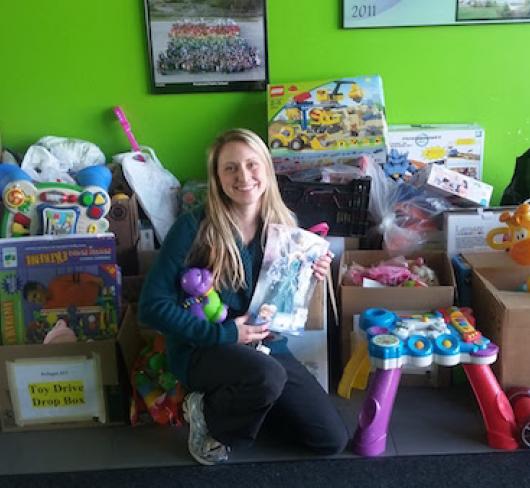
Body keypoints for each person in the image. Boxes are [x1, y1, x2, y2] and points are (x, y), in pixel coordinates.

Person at [138, 128, 349, 465]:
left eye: (252, 165)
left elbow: (286, 311)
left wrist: (312, 277)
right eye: (230, 168)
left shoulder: (286, 229)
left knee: (329, 440)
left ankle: (247, 404)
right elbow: (151, 308)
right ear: (217, 177)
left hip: (265, 349)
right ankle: (206, 414)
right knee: (267, 377)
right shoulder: (193, 229)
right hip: (204, 349)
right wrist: (223, 334)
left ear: (266, 168)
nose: (243, 176)